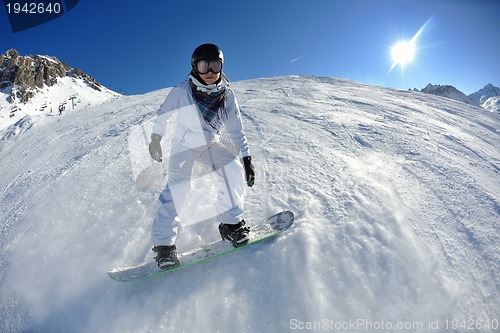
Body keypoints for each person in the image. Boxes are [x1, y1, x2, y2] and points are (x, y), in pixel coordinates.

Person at [148, 43, 255, 269]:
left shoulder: (227, 95)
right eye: (204, 65)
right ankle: (164, 246)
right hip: (183, 145)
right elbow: (163, 114)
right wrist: (156, 137)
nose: (209, 72)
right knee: (178, 189)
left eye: (214, 65)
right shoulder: (182, 90)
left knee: (232, 169)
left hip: (208, 143)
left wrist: (246, 157)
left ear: (221, 66)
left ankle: (230, 225)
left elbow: (236, 129)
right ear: (195, 67)